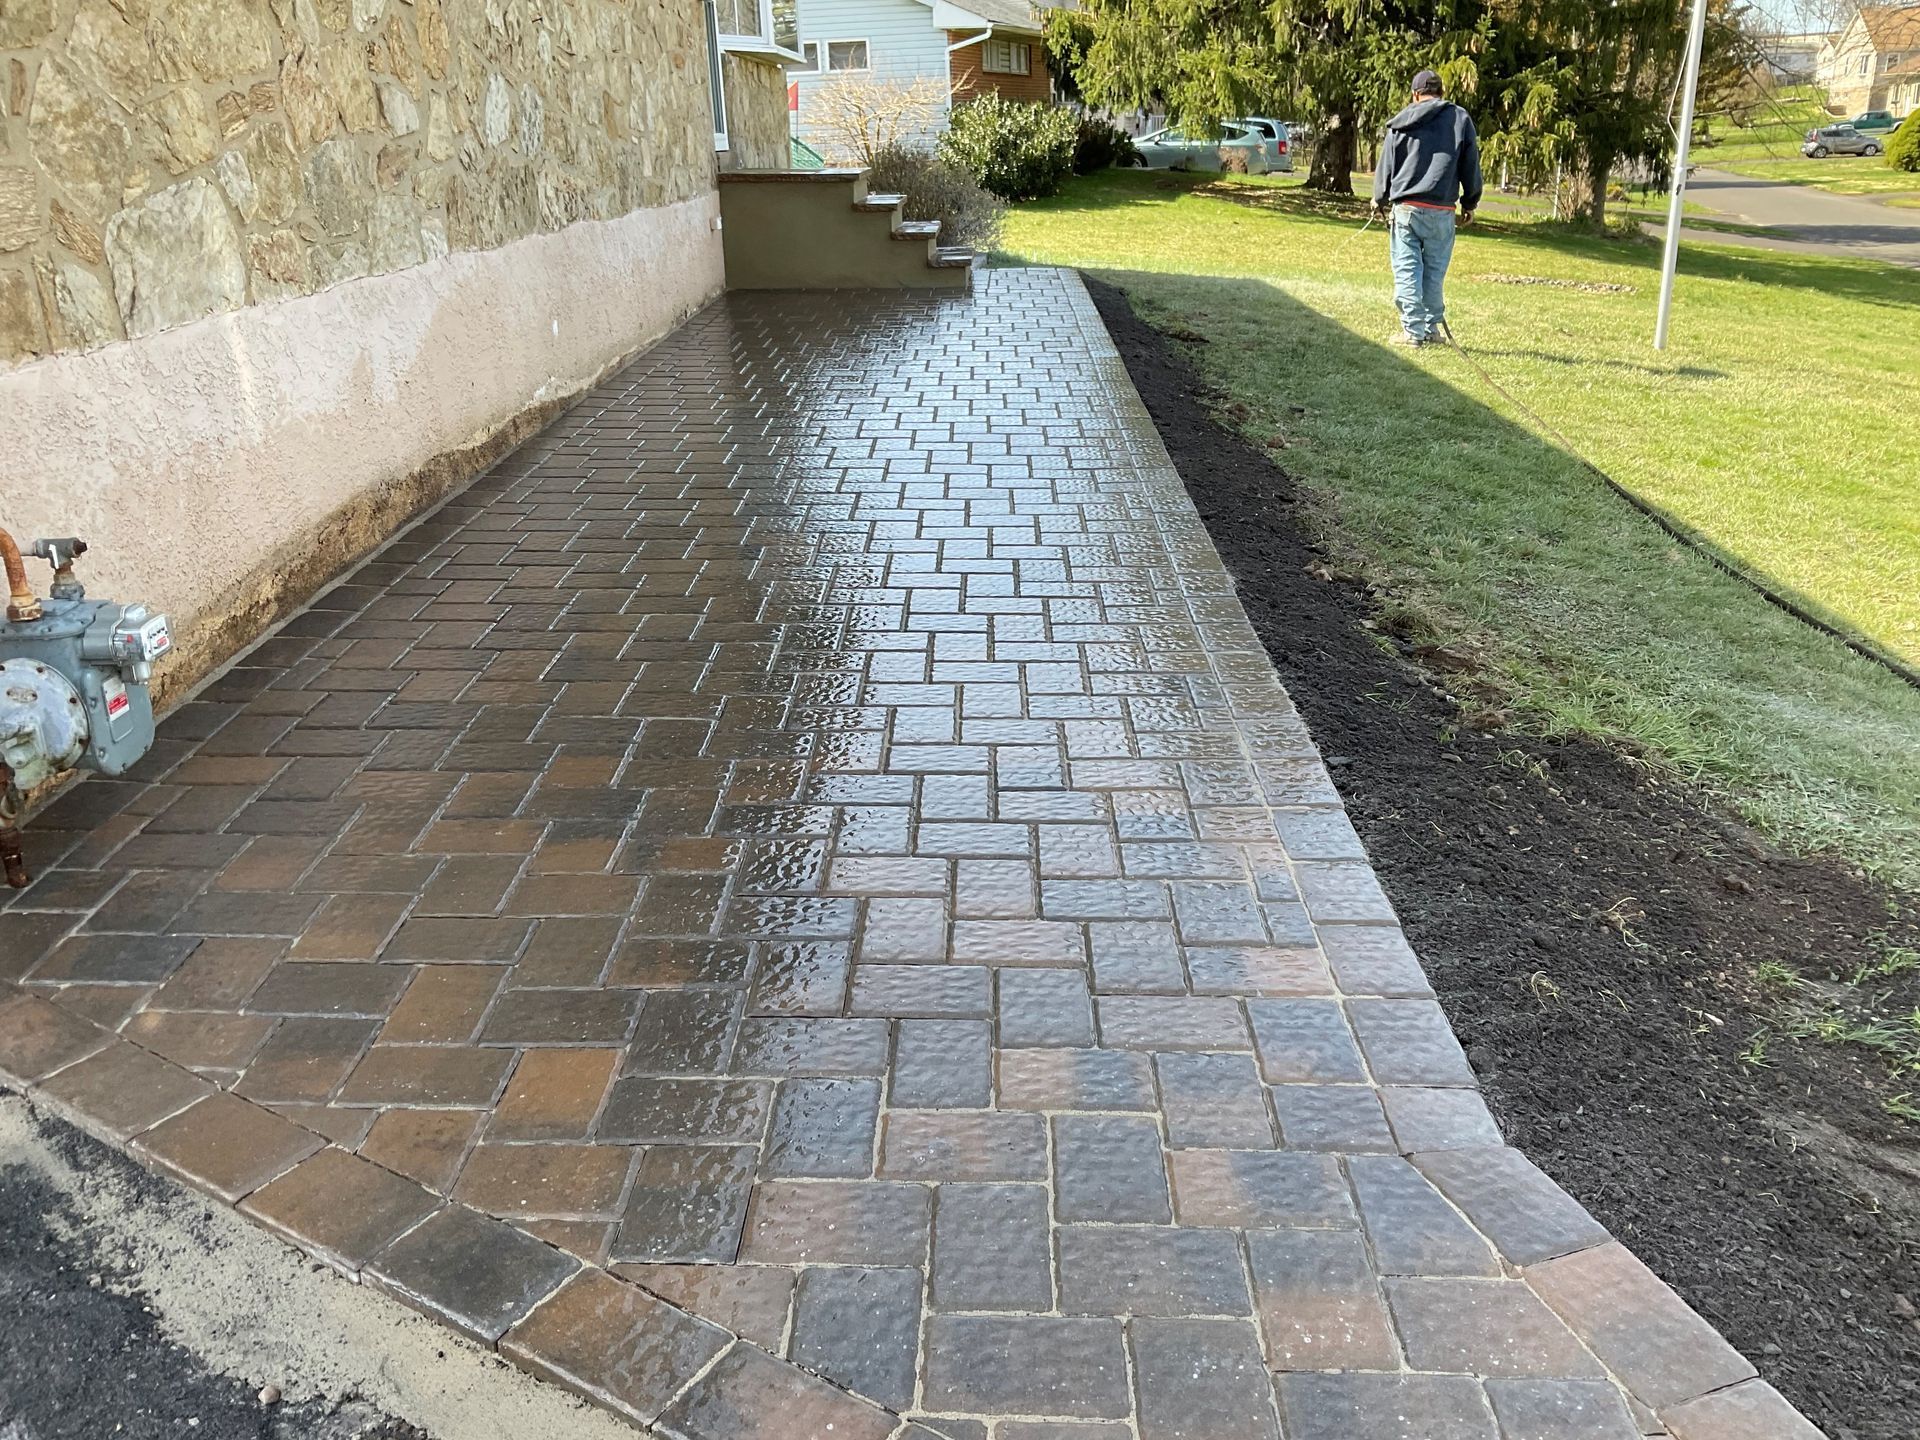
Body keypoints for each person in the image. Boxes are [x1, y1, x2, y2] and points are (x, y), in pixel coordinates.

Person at [1370, 69, 1482, 347]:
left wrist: (1379, 198)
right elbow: (1470, 164)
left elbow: (1387, 163)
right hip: (1443, 210)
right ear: (1441, 93)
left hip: (1407, 207)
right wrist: (1470, 202)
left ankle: (1412, 332)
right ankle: (1431, 329)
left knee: (1407, 269)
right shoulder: (1460, 118)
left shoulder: (1402, 120)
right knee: (1434, 272)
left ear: (1415, 94)